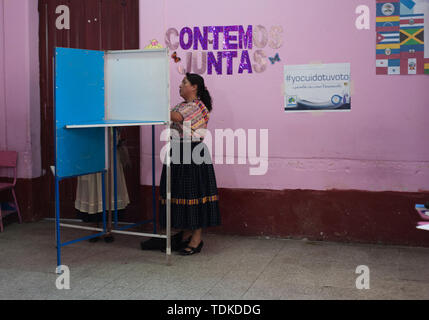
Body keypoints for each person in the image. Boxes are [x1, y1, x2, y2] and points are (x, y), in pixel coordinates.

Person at [159, 73, 221, 255]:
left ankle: (197, 238)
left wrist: (154, 101)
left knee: (194, 195)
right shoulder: (181, 105)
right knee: (180, 193)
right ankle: (185, 233)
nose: (180, 86)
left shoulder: (197, 106)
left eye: (184, 83)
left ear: (194, 87)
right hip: (177, 151)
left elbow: (176, 118)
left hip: (192, 154)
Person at [75, 128, 130, 242]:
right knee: (92, 190)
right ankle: (95, 227)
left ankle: (108, 228)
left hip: (110, 152)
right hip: (90, 150)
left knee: (109, 188)